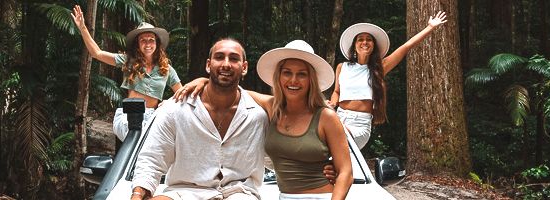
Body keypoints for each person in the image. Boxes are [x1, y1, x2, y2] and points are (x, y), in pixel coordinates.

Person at [176, 40, 353, 200]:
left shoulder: (326, 117)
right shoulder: (271, 108)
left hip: (323, 196)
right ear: (279, 76)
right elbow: (233, 90)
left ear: (311, 80)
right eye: (287, 73)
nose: (293, 80)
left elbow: (346, 172)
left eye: (302, 74)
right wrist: (204, 82)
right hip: (284, 197)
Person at [131, 39, 267, 200]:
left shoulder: (258, 116)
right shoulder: (175, 110)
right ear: (208, 65)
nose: (226, 64)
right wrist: (138, 194)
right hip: (184, 193)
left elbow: (283, 156)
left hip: (240, 194)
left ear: (244, 67)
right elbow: (152, 160)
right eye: (219, 57)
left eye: (234, 58)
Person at [328, 11, 448, 149]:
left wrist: (430, 28)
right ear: (354, 45)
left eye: (369, 39)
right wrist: (331, 103)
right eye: (360, 39)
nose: (365, 42)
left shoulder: (379, 68)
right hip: (339, 118)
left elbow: (405, 47)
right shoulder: (342, 67)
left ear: (373, 46)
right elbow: (337, 92)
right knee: (330, 154)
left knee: (339, 142)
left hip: (359, 124)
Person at [72, 5, 182, 141]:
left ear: (157, 43)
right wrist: (82, 27)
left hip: (152, 117)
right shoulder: (128, 61)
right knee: (136, 145)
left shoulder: (167, 69)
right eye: (143, 40)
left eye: (151, 40)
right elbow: (97, 53)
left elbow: (182, 93)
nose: (148, 44)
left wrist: (169, 102)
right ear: (138, 44)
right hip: (129, 116)